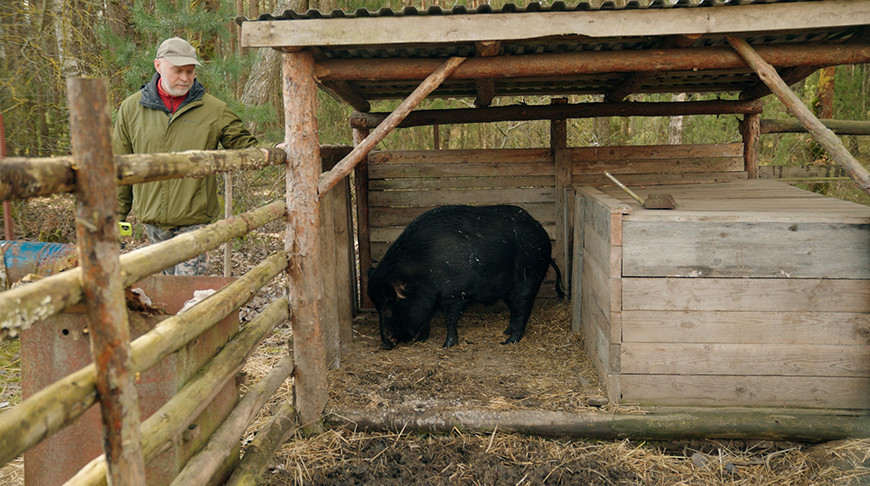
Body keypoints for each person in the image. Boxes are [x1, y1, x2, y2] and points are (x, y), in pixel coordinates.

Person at [114, 37, 259, 276]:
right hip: (153, 222)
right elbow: (119, 169)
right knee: (166, 290)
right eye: (177, 71)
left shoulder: (214, 110)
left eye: (190, 71)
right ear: (158, 66)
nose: (184, 78)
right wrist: (117, 222)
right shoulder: (131, 109)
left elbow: (247, 148)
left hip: (195, 222)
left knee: (190, 292)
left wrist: (276, 147)